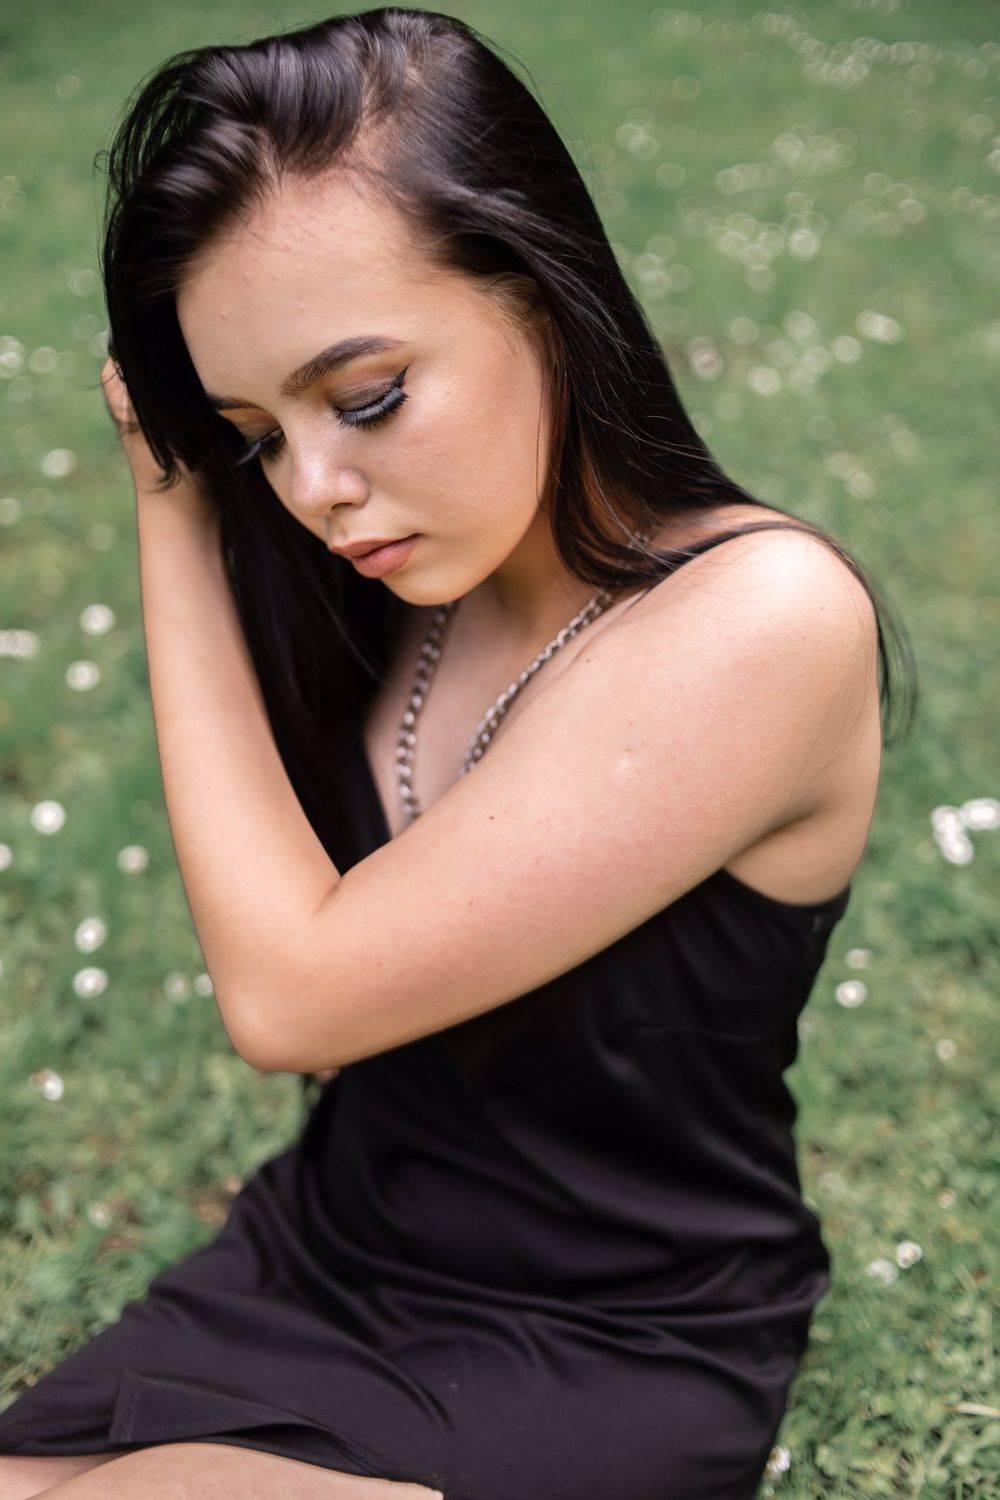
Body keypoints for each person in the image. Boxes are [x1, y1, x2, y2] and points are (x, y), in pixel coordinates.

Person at [0, 8, 916, 1499]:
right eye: (252, 436)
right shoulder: (403, 590)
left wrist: (169, 511)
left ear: (543, 298)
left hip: (597, 1338)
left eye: (366, 399)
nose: (316, 488)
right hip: (320, 1251)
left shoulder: (764, 621)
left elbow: (293, 996)